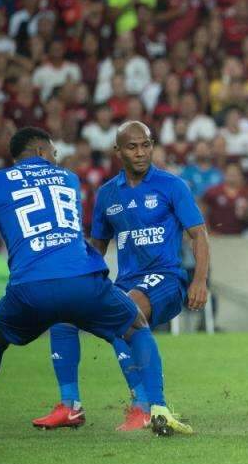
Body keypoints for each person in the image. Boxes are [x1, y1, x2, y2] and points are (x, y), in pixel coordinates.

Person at [0, 127, 183, 439]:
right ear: (39, 152)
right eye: (53, 152)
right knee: (135, 326)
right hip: (82, 278)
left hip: (30, 287)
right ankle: (156, 408)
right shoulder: (68, 179)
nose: (56, 158)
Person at [32, 121, 209, 432]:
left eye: (146, 145)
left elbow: (199, 235)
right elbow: (97, 247)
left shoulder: (172, 186)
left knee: (127, 312)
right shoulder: (107, 195)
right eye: (132, 146)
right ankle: (70, 405)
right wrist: (74, 282)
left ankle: (144, 407)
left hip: (166, 280)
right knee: (65, 315)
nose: (141, 153)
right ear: (118, 151)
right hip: (127, 282)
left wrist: (199, 280)